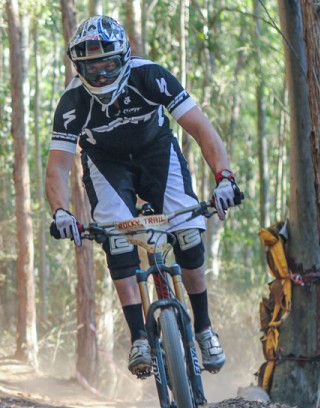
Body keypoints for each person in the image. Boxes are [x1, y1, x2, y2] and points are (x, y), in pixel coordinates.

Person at [46, 15, 242, 378]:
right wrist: (61, 212)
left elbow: (201, 129)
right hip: (107, 166)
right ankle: (139, 336)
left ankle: (203, 327)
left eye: (108, 66)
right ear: (78, 68)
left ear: (124, 58)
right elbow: (57, 166)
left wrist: (224, 178)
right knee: (118, 242)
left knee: (188, 233)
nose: (101, 76)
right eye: (91, 69)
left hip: (157, 153)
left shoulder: (150, 76)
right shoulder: (72, 102)